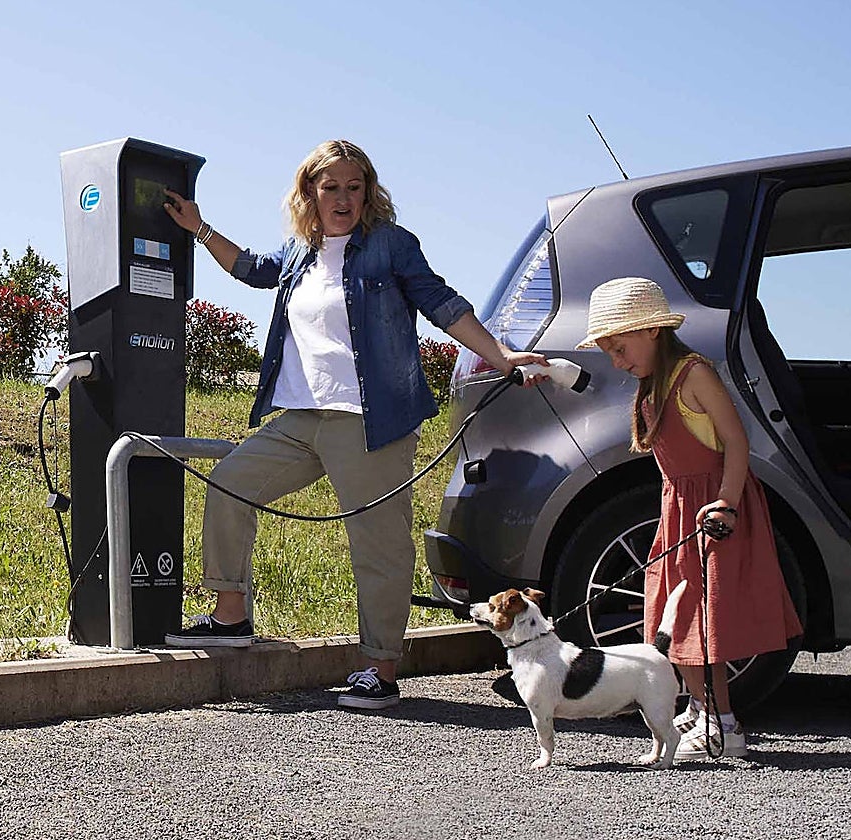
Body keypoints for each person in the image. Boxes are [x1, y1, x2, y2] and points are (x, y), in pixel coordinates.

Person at [160, 139, 546, 710]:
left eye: (354, 186)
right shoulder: (300, 250)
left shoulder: (389, 245)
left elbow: (442, 302)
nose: (343, 198)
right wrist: (200, 227)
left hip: (370, 419)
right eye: (331, 186)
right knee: (230, 484)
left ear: (370, 191)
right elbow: (251, 269)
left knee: (378, 544)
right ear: (309, 192)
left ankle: (380, 667)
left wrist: (499, 353)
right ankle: (230, 616)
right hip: (299, 415)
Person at [577, 276, 802, 758]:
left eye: (620, 347)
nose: (618, 361)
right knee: (673, 617)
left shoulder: (693, 374)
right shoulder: (652, 382)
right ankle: (701, 710)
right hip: (678, 508)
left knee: (704, 623)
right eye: (609, 352)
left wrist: (727, 502)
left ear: (652, 330)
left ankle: (723, 729)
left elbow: (737, 442)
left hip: (713, 510)